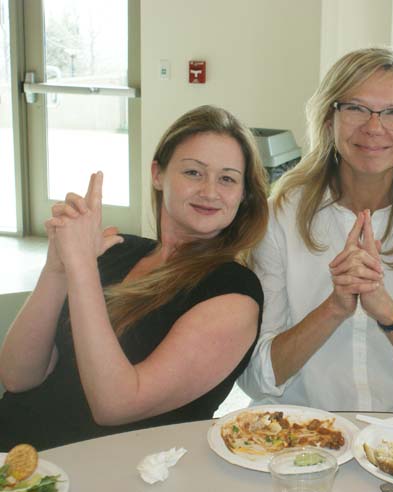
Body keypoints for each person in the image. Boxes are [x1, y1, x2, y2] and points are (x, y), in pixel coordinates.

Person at [0, 105, 268, 450]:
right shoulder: (116, 249)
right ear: (157, 173)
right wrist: (57, 267)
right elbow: (19, 377)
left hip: (102, 471)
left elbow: (116, 406)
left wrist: (80, 267)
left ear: (244, 194)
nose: (210, 191)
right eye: (193, 173)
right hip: (17, 455)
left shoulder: (234, 295)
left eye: (227, 178)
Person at [239, 47, 393, 413]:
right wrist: (334, 307)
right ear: (329, 120)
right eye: (356, 108)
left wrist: (387, 312)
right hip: (294, 433)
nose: (373, 127)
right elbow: (257, 376)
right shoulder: (280, 214)